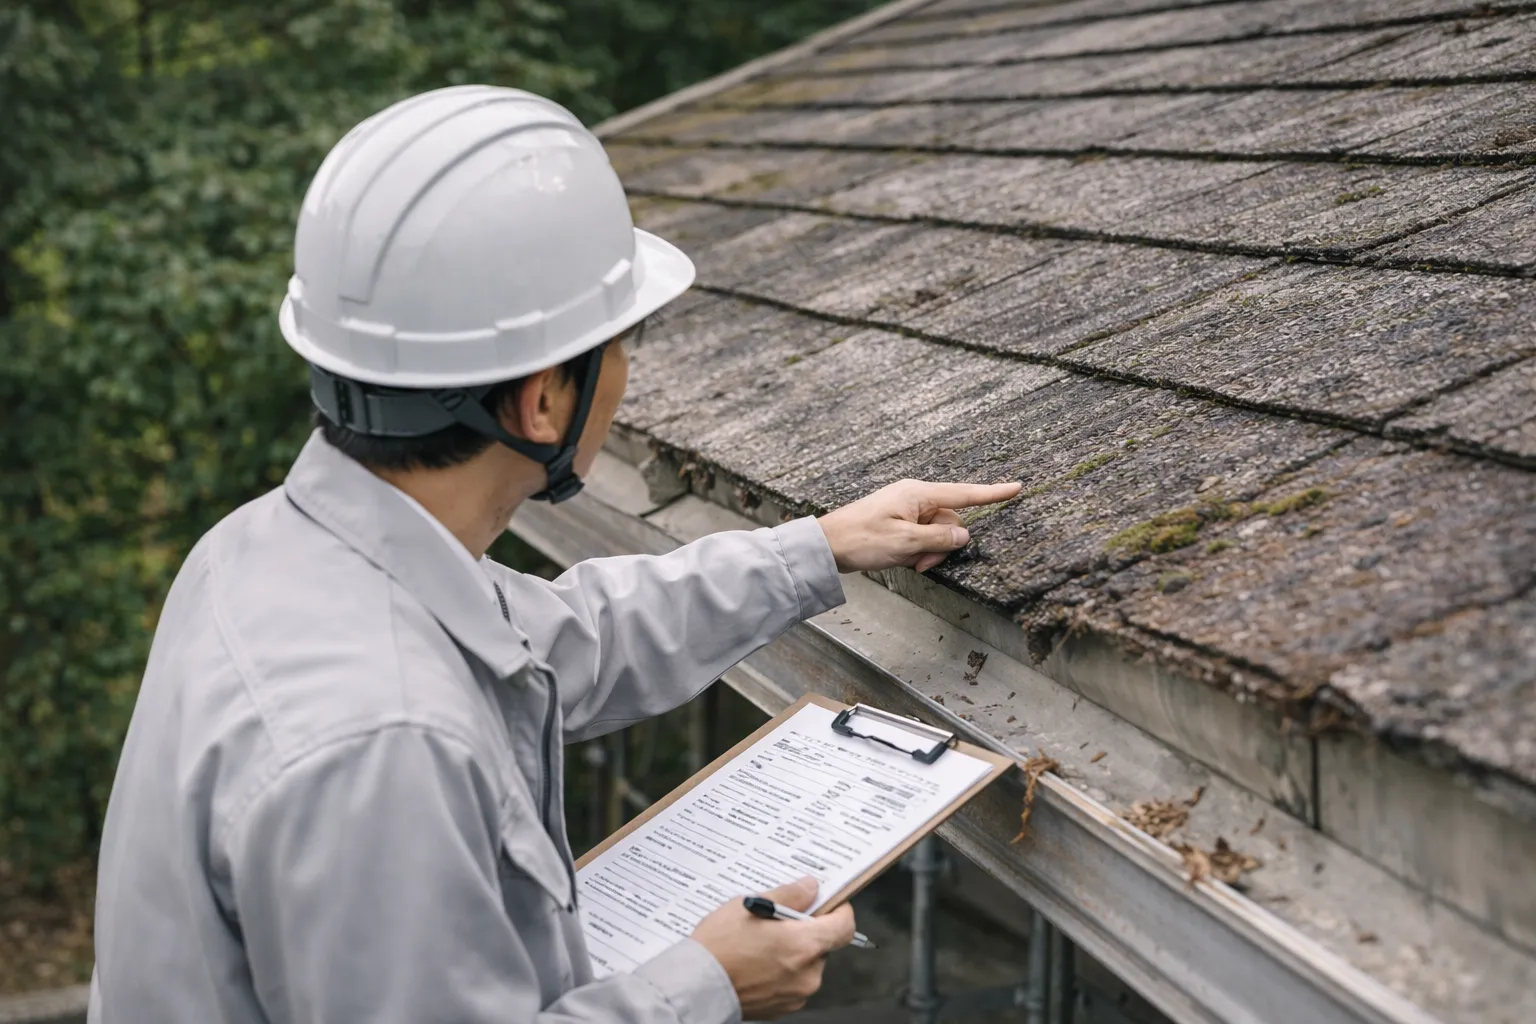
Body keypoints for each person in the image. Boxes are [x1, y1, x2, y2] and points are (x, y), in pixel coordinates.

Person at [89, 86, 1021, 1024]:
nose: (627, 372)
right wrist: (708, 987)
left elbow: (570, 634)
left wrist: (817, 548)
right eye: (622, 343)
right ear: (543, 404)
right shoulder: (385, 747)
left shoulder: (272, 551)